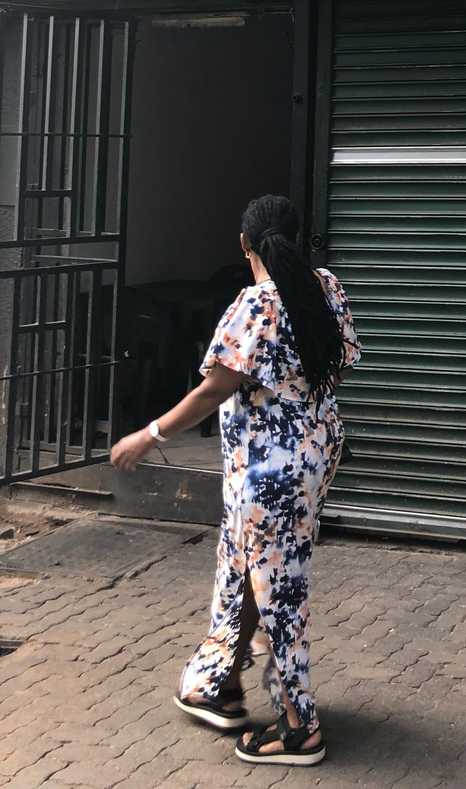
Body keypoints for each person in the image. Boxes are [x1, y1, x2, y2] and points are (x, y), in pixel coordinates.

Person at [110, 194, 361, 768]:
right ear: (297, 237)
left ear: (244, 244)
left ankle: (300, 726)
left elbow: (212, 390)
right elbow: (341, 364)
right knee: (248, 566)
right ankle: (217, 681)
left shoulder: (255, 305)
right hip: (313, 454)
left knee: (278, 587)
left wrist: (147, 435)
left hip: (268, 469)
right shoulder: (326, 288)